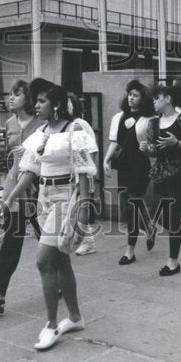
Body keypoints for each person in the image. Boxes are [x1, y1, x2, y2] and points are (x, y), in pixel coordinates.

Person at [3, 78, 97, 352]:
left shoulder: (74, 130)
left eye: (42, 101)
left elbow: (83, 172)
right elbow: (29, 169)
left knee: (44, 261)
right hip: (44, 198)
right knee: (61, 261)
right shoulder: (40, 132)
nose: (36, 105)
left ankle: (51, 324)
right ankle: (76, 317)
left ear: (56, 104)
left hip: (65, 199)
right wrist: (10, 197)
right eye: (36, 100)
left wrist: (83, 208)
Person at [0, 80, 41, 315]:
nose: (11, 98)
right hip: (15, 189)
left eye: (17, 94)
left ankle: (61, 280)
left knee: (48, 242)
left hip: (38, 189)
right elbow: (11, 158)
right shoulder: (10, 123)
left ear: (28, 98)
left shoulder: (41, 123)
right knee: (11, 243)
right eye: (10, 94)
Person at [140, 81, 181, 276]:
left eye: (157, 98)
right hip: (161, 174)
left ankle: (173, 261)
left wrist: (176, 143)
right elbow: (153, 151)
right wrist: (146, 150)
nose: (154, 103)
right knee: (163, 215)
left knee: (173, 214)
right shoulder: (153, 123)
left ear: (168, 99)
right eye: (153, 99)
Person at [103, 80, 155, 265]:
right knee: (128, 206)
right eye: (129, 94)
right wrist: (106, 159)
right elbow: (115, 142)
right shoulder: (119, 117)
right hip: (124, 166)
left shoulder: (149, 119)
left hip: (140, 166)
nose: (131, 98)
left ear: (142, 99)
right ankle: (149, 226)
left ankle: (130, 250)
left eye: (135, 95)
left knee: (132, 204)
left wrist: (148, 147)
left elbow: (153, 146)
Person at [67, 92, 98, 257]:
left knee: (80, 206)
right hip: (73, 172)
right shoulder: (68, 125)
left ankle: (86, 241)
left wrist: (87, 172)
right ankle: (86, 240)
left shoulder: (80, 124)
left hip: (82, 173)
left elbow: (91, 149)